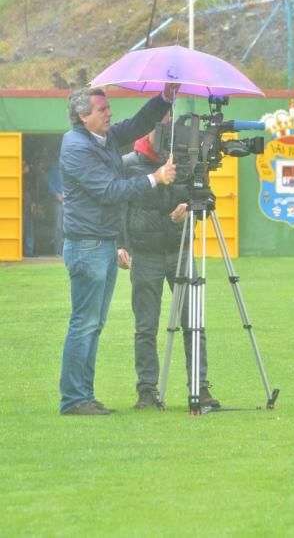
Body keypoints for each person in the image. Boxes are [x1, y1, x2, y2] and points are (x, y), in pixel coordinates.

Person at [58, 84, 178, 416]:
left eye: (108, 108)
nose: (109, 113)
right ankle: (74, 399)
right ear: (84, 116)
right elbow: (110, 191)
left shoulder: (103, 137)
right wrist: (155, 178)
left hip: (102, 243)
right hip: (88, 244)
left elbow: (138, 124)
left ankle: (83, 396)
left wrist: (165, 98)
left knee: (93, 324)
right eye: (102, 109)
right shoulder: (77, 147)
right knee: (84, 323)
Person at [118, 121, 220, 410]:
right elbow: (118, 205)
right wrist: (120, 244)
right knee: (145, 326)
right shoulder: (128, 164)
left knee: (194, 323)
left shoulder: (188, 161)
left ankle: (199, 388)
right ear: (147, 132)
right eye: (158, 127)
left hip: (181, 251)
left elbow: (207, 198)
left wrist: (189, 208)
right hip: (145, 254)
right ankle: (147, 391)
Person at [47, 158, 64, 256]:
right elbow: (49, 184)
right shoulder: (55, 167)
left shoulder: (73, 165)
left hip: (71, 202)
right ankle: (58, 251)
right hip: (59, 202)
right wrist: (56, 194)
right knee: (58, 227)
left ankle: (68, 252)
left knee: (70, 227)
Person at [22, 158, 37, 257]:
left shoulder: (30, 178)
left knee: (29, 228)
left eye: (24, 165)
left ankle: (29, 251)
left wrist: (33, 204)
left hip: (27, 205)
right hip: (17, 205)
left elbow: (32, 191)